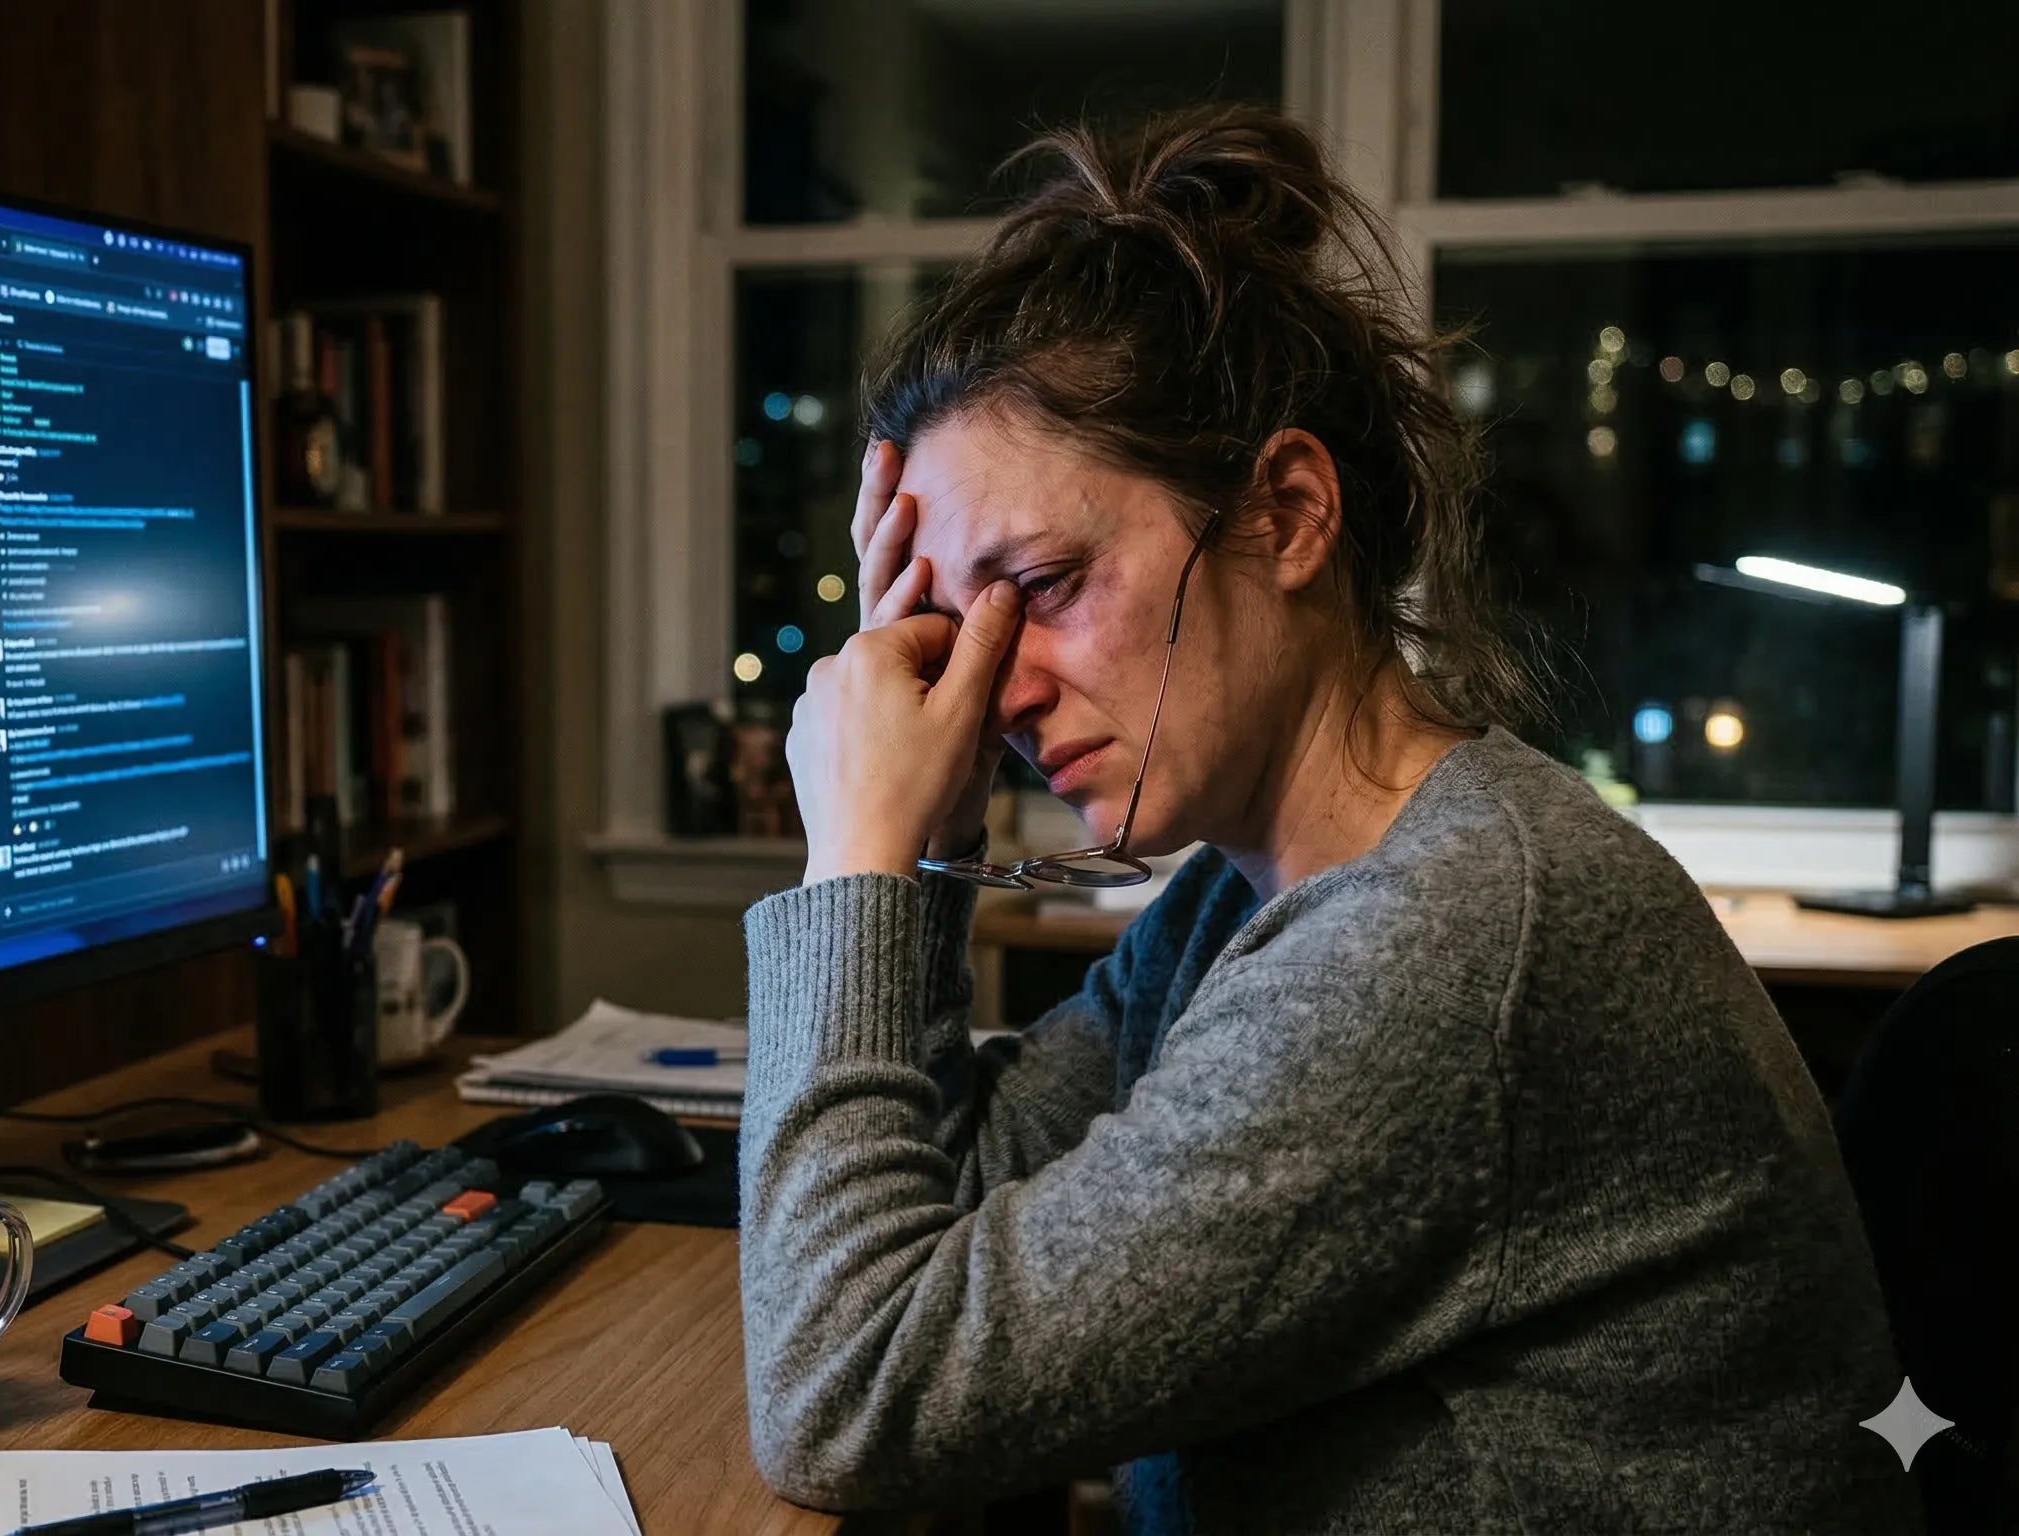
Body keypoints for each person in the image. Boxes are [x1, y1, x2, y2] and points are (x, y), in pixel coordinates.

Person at [738, 104, 1916, 1533]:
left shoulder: (1442, 940)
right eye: (943, 625)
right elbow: (961, 1203)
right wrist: (919, 844)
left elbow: (851, 1393)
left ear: (1289, 514)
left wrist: (855, 860)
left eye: (1040, 589)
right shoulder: (1252, 896)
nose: (989, 688)